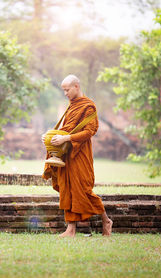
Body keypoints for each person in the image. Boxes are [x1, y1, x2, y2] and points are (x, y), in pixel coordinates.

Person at [42, 74, 113, 237]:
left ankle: (106, 220)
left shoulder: (89, 106)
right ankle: (71, 229)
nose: (65, 93)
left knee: (84, 189)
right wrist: (49, 137)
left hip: (80, 153)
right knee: (67, 188)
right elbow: (66, 128)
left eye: (67, 90)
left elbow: (90, 131)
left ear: (76, 87)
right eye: (64, 91)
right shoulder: (71, 105)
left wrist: (66, 138)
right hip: (67, 153)